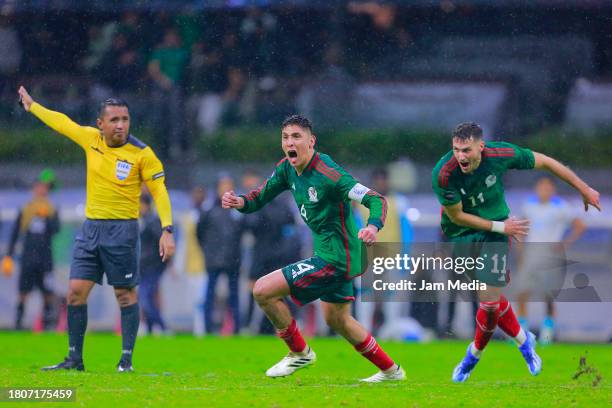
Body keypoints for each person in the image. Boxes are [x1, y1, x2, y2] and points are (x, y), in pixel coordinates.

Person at [222, 115, 405, 383]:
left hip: (337, 258)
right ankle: (391, 371)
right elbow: (260, 195)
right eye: (285, 137)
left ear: (312, 141)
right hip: (330, 255)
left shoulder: (329, 174)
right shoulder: (287, 169)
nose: (290, 142)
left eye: (296, 137)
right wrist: (240, 201)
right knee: (337, 320)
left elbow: (374, 199)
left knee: (262, 290)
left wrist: (373, 226)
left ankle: (299, 352)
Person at [17, 86, 175, 372]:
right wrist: (33, 107)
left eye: (125, 119)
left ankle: (126, 360)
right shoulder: (91, 139)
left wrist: (167, 229)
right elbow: (63, 123)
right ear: (100, 124)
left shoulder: (142, 154)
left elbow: (160, 192)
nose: (120, 125)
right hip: (91, 229)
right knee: (75, 292)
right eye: (114, 119)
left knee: (125, 294)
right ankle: (74, 359)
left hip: (123, 231)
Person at [431, 122, 600, 383]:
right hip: (463, 230)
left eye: (466, 150)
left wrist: (584, 188)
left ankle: (472, 356)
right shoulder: (443, 173)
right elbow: (457, 216)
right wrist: (503, 226)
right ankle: (525, 340)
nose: (461, 156)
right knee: (489, 300)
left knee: (488, 303)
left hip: (496, 231)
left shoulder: (499, 155)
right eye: (456, 150)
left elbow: (545, 161)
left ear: (481, 147)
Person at [516, 177, 586, 344]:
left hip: (550, 254)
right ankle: (520, 333)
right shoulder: (529, 205)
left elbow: (580, 225)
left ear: (553, 190)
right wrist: (520, 248)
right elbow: (520, 227)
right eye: (541, 187)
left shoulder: (561, 207)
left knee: (548, 294)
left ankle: (547, 333)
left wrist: (565, 243)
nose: (544, 190)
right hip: (531, 251)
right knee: (522, 291)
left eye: (547, 188)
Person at [3, 177, 60, 330]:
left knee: (48, 293)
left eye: (44, 188)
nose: (41, 190)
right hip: (28, 258)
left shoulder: (52, 209)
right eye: (39, 187)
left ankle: (48, 326)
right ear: (34, 189)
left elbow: (56, 230)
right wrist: (8, 256)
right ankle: (18, 325)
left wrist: (47, 217)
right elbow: (15, 233)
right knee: (23, 292)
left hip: (45, 259)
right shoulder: (25, 209)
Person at [197, 174, 244, 334]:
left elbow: (245, 229)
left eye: (229, 186)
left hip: (233, 259)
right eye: (223, 186)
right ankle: (208, 329)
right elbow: (199, 232)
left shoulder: (238, 210)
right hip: (213, 260)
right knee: (210, 295)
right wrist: (208, 251)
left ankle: (236, 329)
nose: (226, 190)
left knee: (234, 296)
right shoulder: (208, 208)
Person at [138, 193, 168, 335]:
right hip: (143, 267)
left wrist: (162, 262)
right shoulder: (142, 221)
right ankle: (150, 328)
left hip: (152, 266)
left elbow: (162, 243)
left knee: (144, 297)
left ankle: (163, 327)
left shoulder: (152, 221)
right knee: (147, 297)